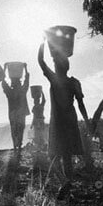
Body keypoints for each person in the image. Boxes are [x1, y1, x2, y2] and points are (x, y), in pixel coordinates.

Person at [38, 41, 90, 183]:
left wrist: (43, 42)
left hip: (57, 122)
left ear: (57, 67)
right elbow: (81, 104)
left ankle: (64, 182)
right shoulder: (74, 82)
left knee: (53, 156)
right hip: (70, 121)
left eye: (55, 64)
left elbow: (41, 61)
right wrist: (87, 121)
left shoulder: (54, 79)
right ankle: (68, 184)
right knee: (67, 156)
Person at [2, 64, 30, 151]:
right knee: (20, 128)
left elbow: (2, 81)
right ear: (19, 82)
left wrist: (5, 69)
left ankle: (15, 146)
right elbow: (27, 80)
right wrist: (25, 68)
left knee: (14, 129)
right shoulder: (22, 90)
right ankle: (19, 145)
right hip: (21, 112)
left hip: (13, 112)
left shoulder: (9, 91)